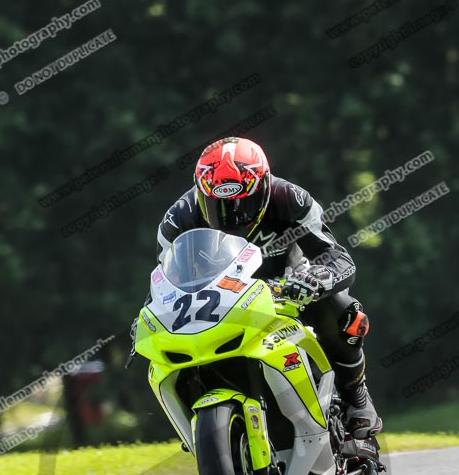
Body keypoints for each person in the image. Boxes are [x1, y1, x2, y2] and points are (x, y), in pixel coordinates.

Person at [154, 136, 382, 439]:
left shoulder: (290, 198)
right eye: (216, 205)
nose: (229, 216)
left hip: (289, 286)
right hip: (220, 300)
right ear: (200, 194)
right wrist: (149, 314)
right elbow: (164, 279)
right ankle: (206, 427)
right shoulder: (177, 218)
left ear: (262, 188)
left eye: (240, 204)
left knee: (342, 310)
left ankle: (357, 396)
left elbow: (336, 256)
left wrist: (317, 279)